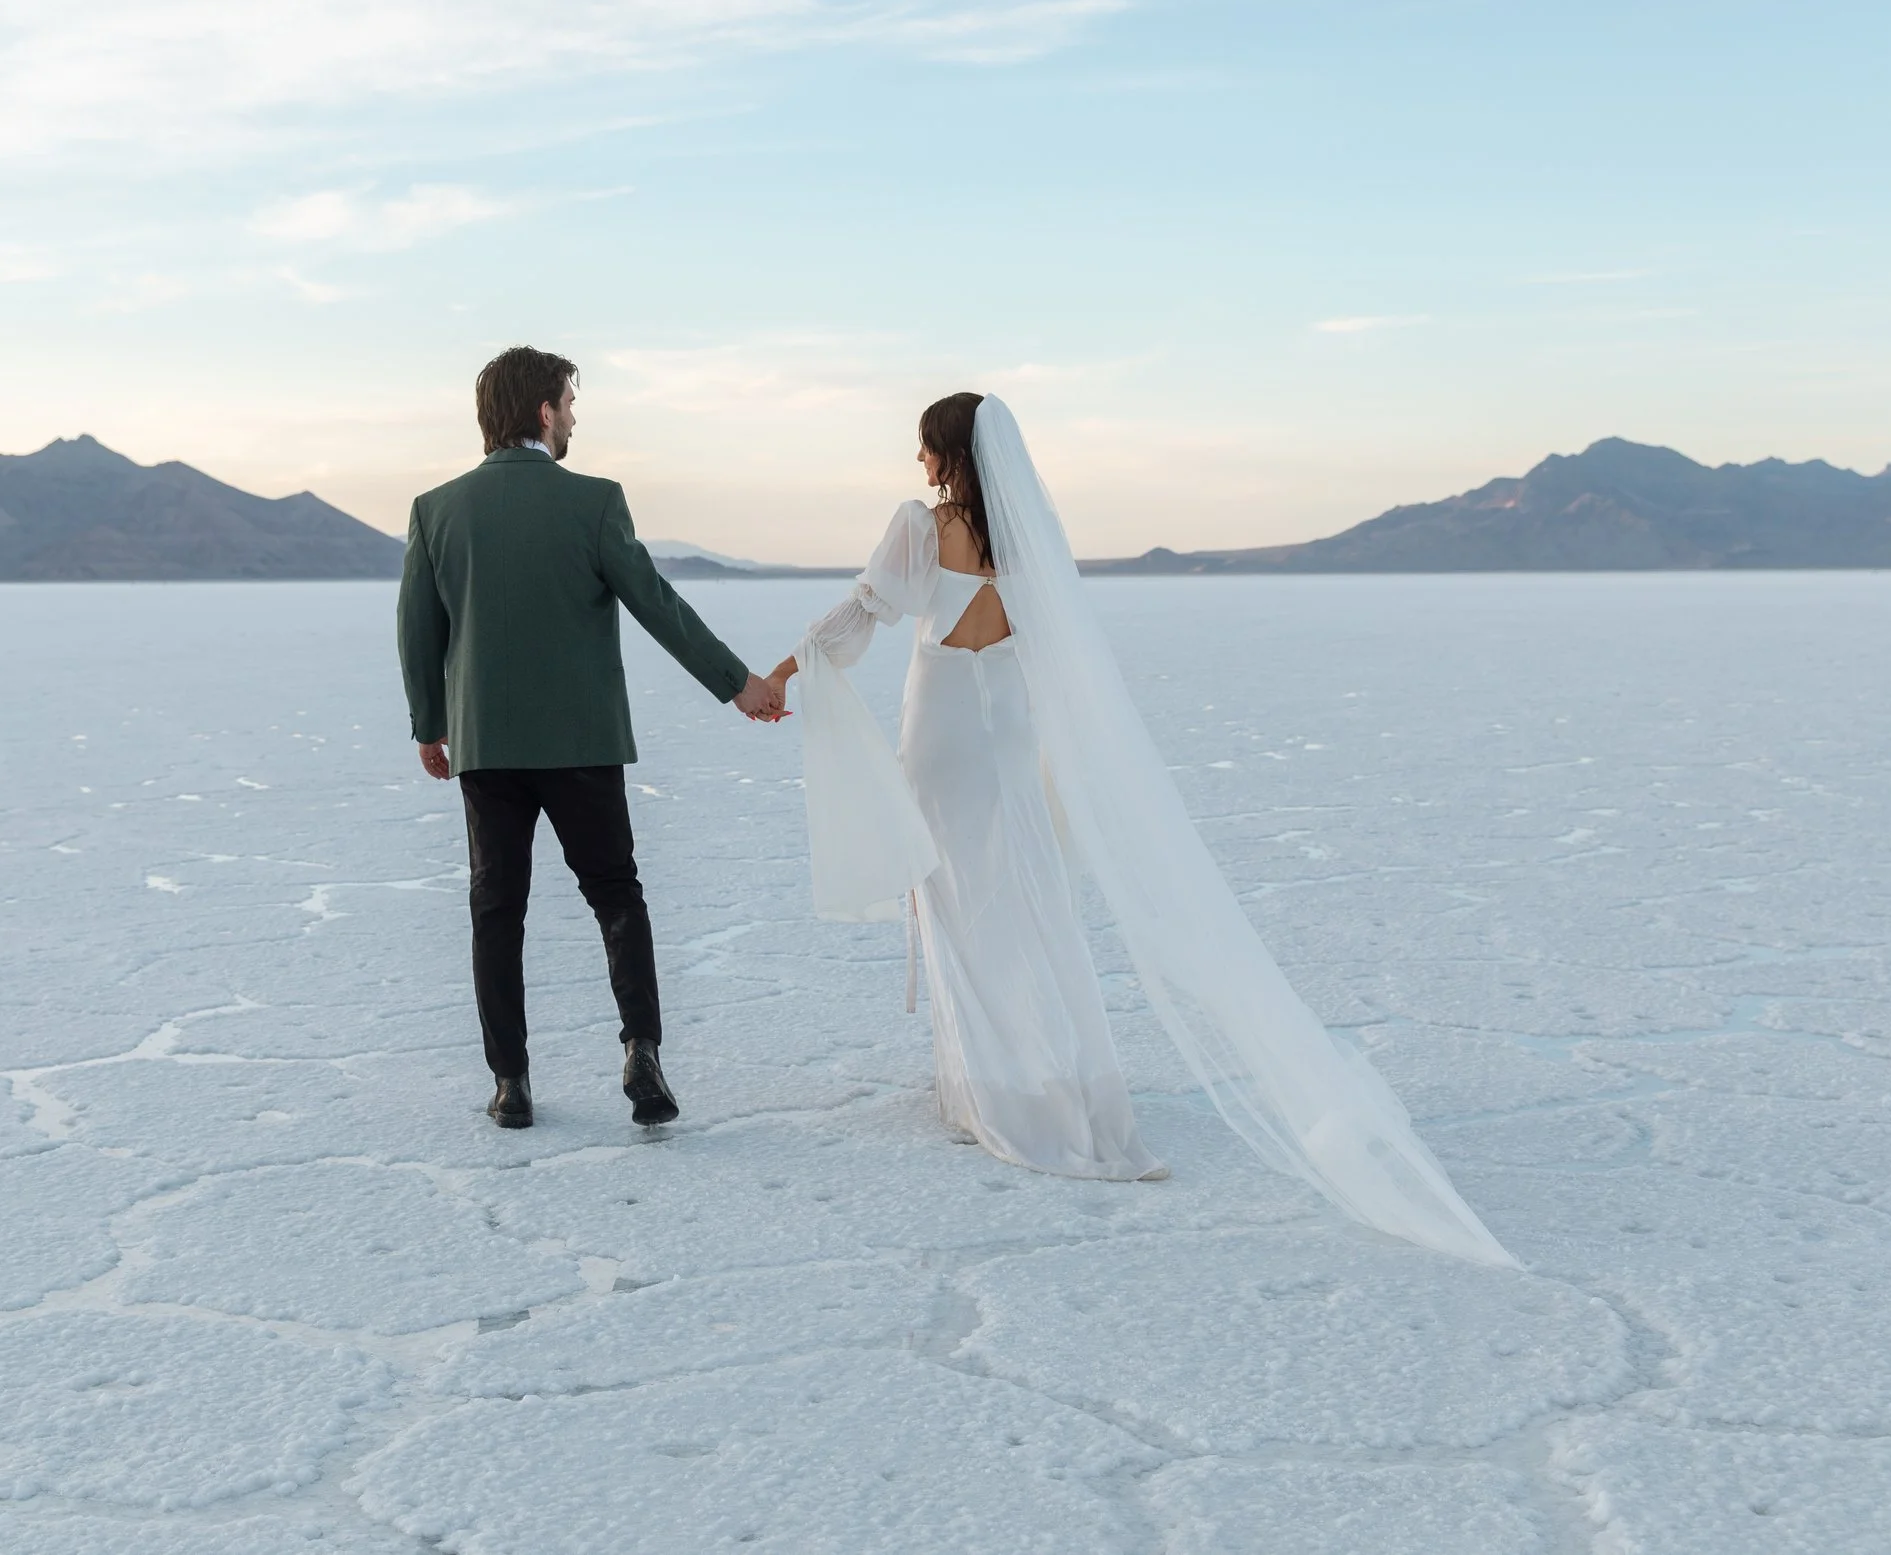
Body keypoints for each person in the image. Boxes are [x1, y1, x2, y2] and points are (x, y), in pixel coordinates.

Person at [769, 393, 1517, 1266]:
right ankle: (1051, 1080)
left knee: (954, 901)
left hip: (942, 732)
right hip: (1007, 729)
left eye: (927, 450)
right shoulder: (1027, 538)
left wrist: (787, 672)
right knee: (1028, 902)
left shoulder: (921, 527)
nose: (920, 467)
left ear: (949, 452)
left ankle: (987, 1093)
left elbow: (863, 616)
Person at [398, 346, 783, 1132]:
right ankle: (642, 1050)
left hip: (488, 745)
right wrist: (738, 683)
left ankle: (511, 1082)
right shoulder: (595, 502)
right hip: (581, 742)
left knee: (496, 910)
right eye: (570, 402)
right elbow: (657, 604)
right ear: (544, 411)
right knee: (616, 894)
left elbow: (415, 629)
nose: (574, 416)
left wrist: (428, 722)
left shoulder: (437, 510)